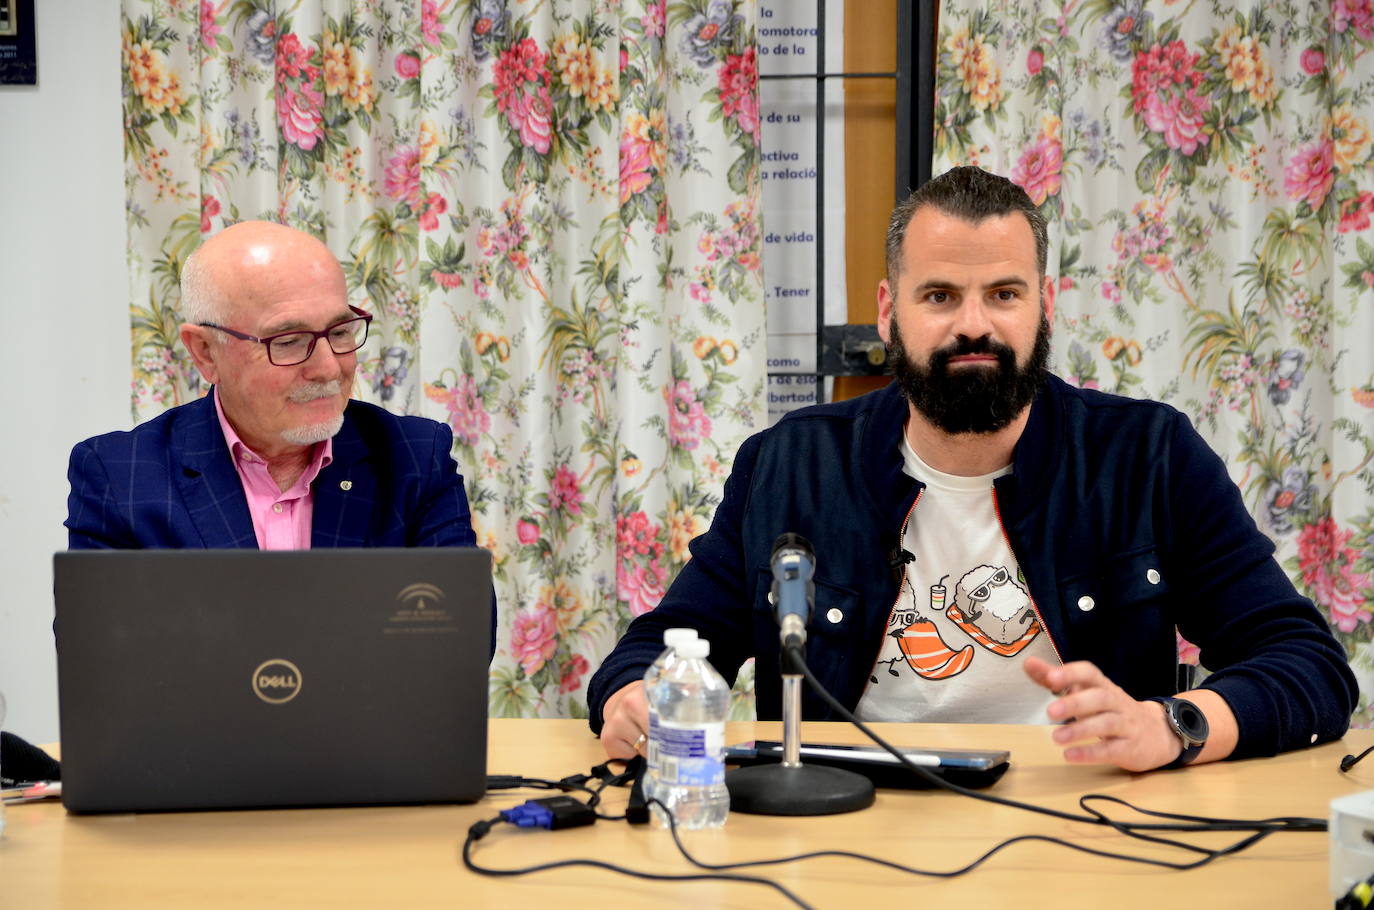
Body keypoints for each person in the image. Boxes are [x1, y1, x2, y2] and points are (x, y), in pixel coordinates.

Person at [588, 166, 1356, 772]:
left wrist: (1176, 724)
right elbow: (658, 648)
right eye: (941, 295)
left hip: (1090, 830)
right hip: (851, 831)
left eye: (1003, 294)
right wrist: (631, 698)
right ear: (889, 312)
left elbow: (1309, 665)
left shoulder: (1148, 456)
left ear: (1043, 305)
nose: (974, 324)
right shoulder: (788, 464)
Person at [66, 219, 480, 556]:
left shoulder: (414, 458)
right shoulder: (121, 476)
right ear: (207, 353)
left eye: (339, 331)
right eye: (288, 341)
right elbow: (109, 654)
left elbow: (456, 643)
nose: (327, 368)